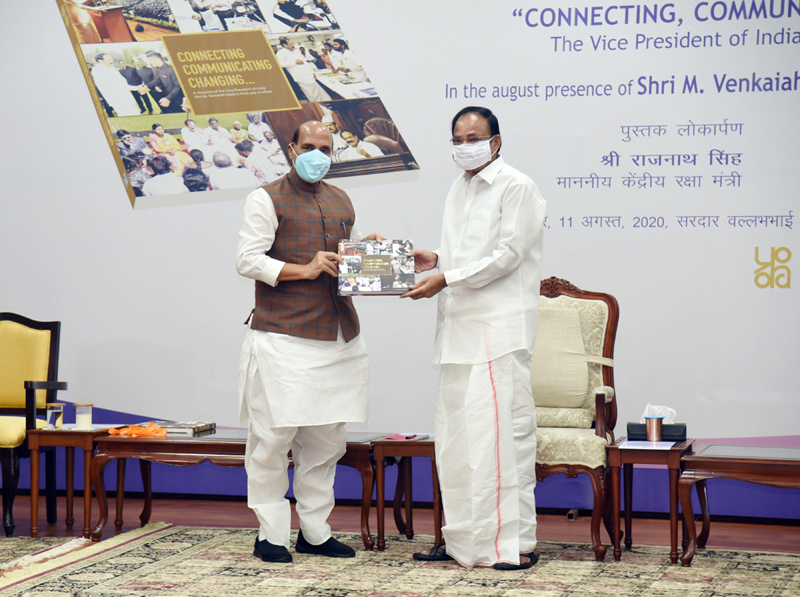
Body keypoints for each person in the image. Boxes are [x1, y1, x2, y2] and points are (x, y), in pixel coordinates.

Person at [402, 106, 546, 571]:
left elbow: (507, 256)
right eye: (458, 138)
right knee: (457, 443)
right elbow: (466, 255)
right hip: (456, 331)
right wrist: (436, 258)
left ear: (496, 141)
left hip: (496, 332)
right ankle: (463, 542)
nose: (466, 145)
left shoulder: (517, 186)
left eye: (475, 137)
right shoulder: (457, 188)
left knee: (500, 443)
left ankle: (512, 546)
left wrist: (447, 276)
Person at [236, 120, 384, 563]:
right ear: (292, 148)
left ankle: (315, 532)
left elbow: (344, 264)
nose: (317, 153)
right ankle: (271, 534)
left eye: (325, 147)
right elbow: (247, 260)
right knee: (273, 440)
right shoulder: (265, 197)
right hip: (283, 335)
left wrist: (369, 255)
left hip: (337, 336)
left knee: (325, 442)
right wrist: (306, 267)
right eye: (309, 146)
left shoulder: (341, 198)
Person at [276, 37, 332, 103]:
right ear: (284, 45)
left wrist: (312, 72)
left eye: (292, 43)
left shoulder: (295, 51)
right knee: (312, 95)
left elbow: (305, 62)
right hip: (301, 77)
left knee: (318, 91)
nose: (293, 45)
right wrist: (295, 62)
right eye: (290, 44)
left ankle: (328, 104)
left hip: (309, 75)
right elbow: (279, 64)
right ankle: (320, 108)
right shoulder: (281, 53)